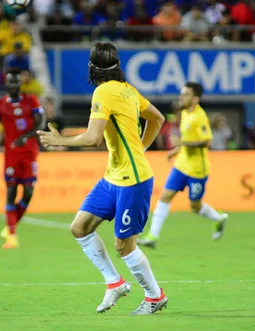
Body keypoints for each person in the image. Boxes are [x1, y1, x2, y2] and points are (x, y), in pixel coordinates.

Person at [37, 42, 168, 316]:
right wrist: (140, 148)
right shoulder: (128, 90)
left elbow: (94, 137)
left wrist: (61, 140)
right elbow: (157, 118)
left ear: (92, 67)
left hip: (133, 180)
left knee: (124, 245)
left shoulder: (103, 92)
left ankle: (155, 296)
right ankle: (115, 282)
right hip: (114, 176)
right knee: (80, 227)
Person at [138, 82, 228, 249]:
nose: (181, 97)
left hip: (197, 170)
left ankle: (219, 218)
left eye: (185, 94)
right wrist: (178, 149)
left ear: (195, 99)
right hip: (181, 165)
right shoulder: (185, 113)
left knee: (195, 207)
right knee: (165, 196)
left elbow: (207, 142)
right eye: (181, 94)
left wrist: (182, 143)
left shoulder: (199, 117)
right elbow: (189, 140)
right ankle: (152, 236)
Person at [0, 67, 44, 249]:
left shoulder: (31, 100)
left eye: (16, 81)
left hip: (30, 153)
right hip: (10, 156)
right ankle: (12, 236)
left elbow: (40, 122)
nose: (13, 85)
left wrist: (26, 136)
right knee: (11, 192)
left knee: (28, 192)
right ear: (5, 83)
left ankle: (10, 226)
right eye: (10, 81)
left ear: (21, 83)